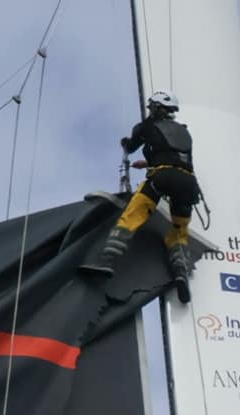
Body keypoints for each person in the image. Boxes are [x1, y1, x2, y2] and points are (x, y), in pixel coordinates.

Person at [82, 91, 201, 303]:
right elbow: (174, 155)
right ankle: (180, 272)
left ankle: (106, 260)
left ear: (156, 107)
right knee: (179, 232)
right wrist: (148, 162)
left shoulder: (147, 126)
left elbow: (132, 145)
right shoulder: (185, 132)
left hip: (161, 177)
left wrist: (126, 143)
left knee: (132, 216)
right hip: (188, 183)